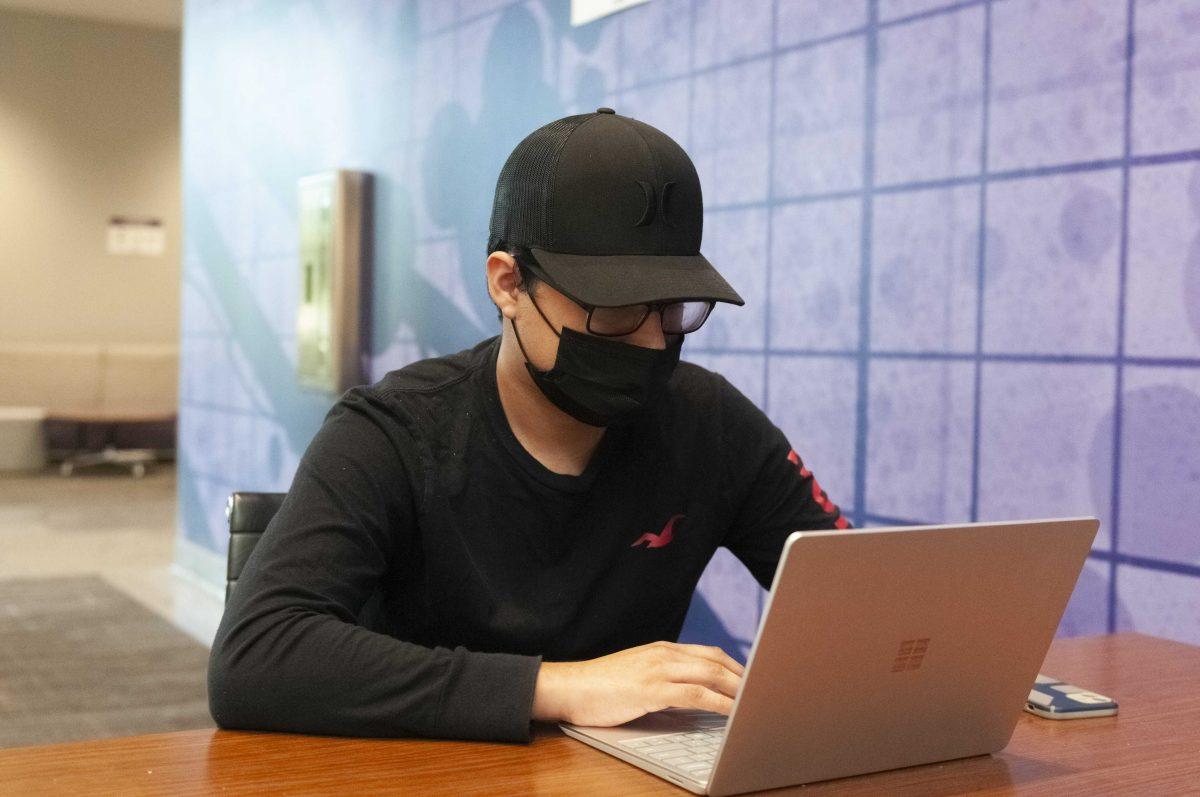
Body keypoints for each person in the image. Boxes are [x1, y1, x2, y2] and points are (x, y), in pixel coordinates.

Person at [207, 108, 850, 744]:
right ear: (508, 284)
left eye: (672, 308)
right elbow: (255, 657)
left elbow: (859, 599)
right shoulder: (392, 431)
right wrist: (560, 688)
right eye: (617, 309)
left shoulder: (712, 425)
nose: (654, 343)